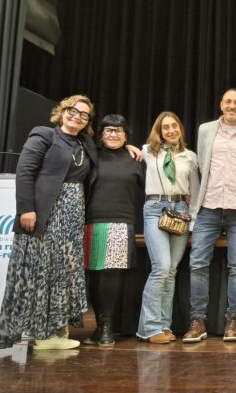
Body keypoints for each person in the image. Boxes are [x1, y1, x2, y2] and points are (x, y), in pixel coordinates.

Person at [0, 94, 98, 350]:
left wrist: (132, 148)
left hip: (74, 215)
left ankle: (57, 331)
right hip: (46, 213)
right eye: (73, 110)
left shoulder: (86, 143)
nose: (77, 117)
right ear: (62, 111)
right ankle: (43, 335)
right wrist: (26, 209)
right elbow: (25, 172)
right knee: (44, 269)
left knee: (65, 271)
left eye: (84, 114)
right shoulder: (44, 135)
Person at [182, 89, 236, 343]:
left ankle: (233, 321)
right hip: (208, 207)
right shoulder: (205, 130)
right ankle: (198, 321)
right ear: (221, 104)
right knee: (198, 263)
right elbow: (201, 166)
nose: (232, 106)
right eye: (228, 101)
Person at [137, 111, 199, 344]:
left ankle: (164, 325)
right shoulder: (148, 151)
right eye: (166, 127)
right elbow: (126, 151)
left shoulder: (189, 156)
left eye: (175, 126)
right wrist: (129, 148)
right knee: (161, 268)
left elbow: (195, 190)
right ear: (159, 131)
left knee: (171, 271)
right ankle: (150, 328)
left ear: (180, 128)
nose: (171, 130)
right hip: (155, 208)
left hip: (180, 210)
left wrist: (192, 219)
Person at [84, 114, 145, 346]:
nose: (113, 134)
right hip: (91, 221)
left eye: (118, 130)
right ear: (101, 134)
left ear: (126, 135)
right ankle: (99, 326)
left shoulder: (135, 159)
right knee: (94, 275)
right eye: (108, 130)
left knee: (111, 274)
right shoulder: (91, 155)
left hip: (121, 222)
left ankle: (108, 327)